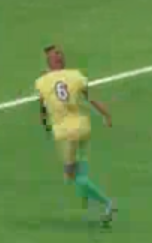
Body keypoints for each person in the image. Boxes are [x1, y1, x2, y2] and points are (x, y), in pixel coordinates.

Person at [35, 44, 118, 226]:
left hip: (65, 133)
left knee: (71, 174)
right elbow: (92, 98)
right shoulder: (75, 75)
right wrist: (106, 115)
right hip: (82, 126)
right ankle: (86, 197)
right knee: (80, 162)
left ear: (48, 63)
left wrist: (45, 127)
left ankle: (107, 203)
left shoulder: (41, 82)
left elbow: (42, 110)